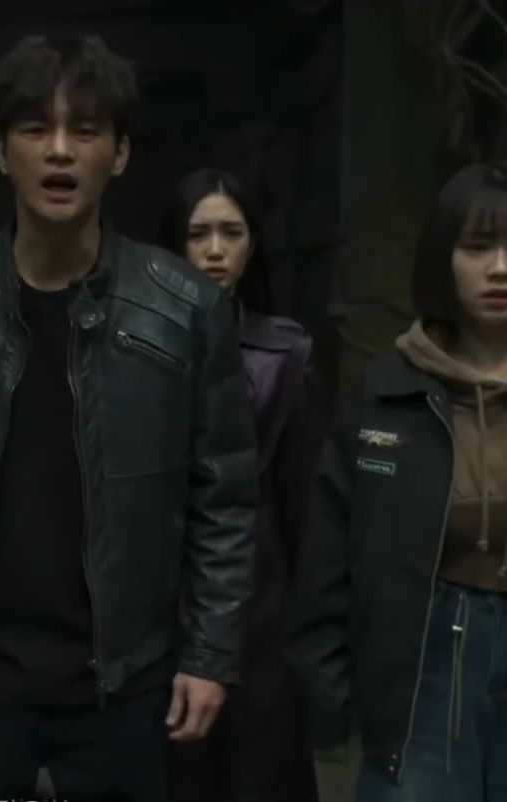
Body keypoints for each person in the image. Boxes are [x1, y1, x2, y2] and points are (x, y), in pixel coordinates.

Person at [0, 34, 259, 802]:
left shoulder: (185, 308)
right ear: (2, 152)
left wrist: (210, 653)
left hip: (126, 680)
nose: (60, 151)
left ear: (120, 154)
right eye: (36, 129)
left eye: (86, 130)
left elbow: (224, 499)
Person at [288, 161, 507, 802]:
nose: (499, 268)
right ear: (444, 258)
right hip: (423, 665)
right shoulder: (388, 390)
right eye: (478, 246)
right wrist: (333, 697)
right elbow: (328, 554)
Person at [161, 168, 322, 802]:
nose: (215, 250)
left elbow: (302, 504)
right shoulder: (132, 345)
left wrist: (308, 633)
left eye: (231, 233)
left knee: (257, 773)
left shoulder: (285, 354)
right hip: (153, 598)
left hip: (260, 604)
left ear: (252, 243)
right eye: (198, 233)